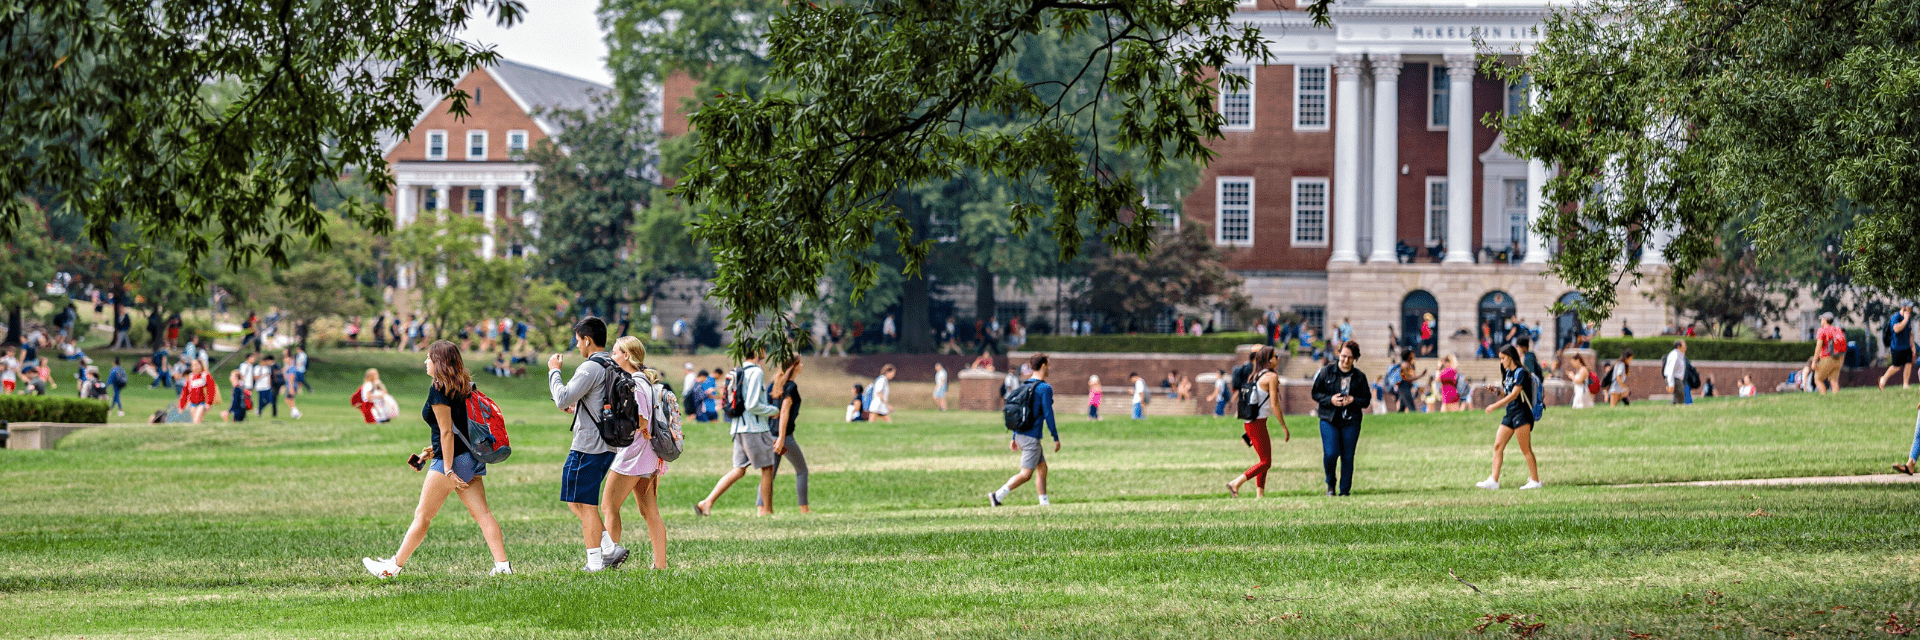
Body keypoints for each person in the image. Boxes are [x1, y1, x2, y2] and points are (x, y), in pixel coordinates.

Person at [361, 341, 512, 578]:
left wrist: (449, 469)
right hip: (471, 458)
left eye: (429, 358)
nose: (425, 362)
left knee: (423, 516)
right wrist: (430, 451)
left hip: (452, 462)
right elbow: (458, 428)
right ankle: (503, 567)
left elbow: (447, 432)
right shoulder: (462, 384)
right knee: (482, 514)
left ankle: (391, 569)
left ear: (438, 362)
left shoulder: (439, 388)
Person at [547, 316, 620, 571]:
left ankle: (595, 562)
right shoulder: (612, 363)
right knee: (574, 500)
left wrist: (554, 370)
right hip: (606, 442)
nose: (577, 346)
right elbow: (599, 399)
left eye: (578, 341)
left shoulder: (590, 367)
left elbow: (561, 397)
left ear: (587, 340)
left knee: (586, 504)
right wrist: (579, 406)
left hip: (589, 445)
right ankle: (609, 547)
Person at [601, 336, 672, 570]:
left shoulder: (634, 383)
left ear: (627, 355)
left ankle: (609, 561)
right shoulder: (644, 382)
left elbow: (641, 421)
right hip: (648, 457)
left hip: (632, 456)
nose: (612, 357)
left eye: (615, 353)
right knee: (649, 511)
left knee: (609, 507)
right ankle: (660, 565)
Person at [695, 347, 780, 517]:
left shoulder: (737, 370)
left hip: (738, 427)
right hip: (754, 428)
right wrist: (773, 410)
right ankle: (766, 511)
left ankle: (706, 503)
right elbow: (752, 405)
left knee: (739, 469)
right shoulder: (756, 372)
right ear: (756, 352)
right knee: (767, 468)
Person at [988, 353, 1061, 507]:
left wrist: (1014, 436)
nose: (1049, 368)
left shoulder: (1025, 384)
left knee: (1042, 467)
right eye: (1048, 364)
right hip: (1031, 437)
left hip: (1021, 434)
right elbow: (1049, 414)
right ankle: (997, 495)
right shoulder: (1044, 388)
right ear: (1043, 366)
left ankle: (1044, 502)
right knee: (1026, 474)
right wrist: (1055, 437)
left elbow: (1020, 411)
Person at [1477, 345, 1544, 490]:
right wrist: (1497, 391)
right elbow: (1507, 394)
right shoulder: (1508, 373)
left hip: (1522, 413)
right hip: (1510, 413)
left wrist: (1494, 406)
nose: (1501, 361)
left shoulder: (1521, 373)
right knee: (1498, 445)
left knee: (1525, 448)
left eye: (1503, 358)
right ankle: (1494, 480)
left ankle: (1535, 481)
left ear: (1511, 357)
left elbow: (1514, 394)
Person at [1310, 341, 1371, 496]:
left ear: (1355, 358)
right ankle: (1330, 484)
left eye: (1350, 358)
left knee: (1348, 455)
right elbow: (1315, 393)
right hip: (1329, 418)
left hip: (1351, 420)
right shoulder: (1326, 372)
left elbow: (1366, 400)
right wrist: (1330, 400)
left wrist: (1353, 400)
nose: (1345, 360)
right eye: (1343, 356)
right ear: (1338, 354)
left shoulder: (1359, 377)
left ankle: (1345, 490)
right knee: (1330, 453)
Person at [1227, 346, 1287, 498]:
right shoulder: (1271, 377)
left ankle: (1260, 496)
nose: (1278, 359)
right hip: (1257, 424)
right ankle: (1236, 483)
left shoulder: (1257, 375)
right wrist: (1284, 427)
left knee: (1263, 460)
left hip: (1251, 423)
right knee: (1266, 462)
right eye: (1276, 356)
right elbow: (1274, 405)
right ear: (1269, 360)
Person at [764, 354, 811, 514]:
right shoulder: (790, 387)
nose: (802, 365)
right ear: (794, 366)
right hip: (784, 438)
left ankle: (761, 508)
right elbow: (784, 412)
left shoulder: (772, 386)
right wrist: (782, 439)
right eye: (800, 363)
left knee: (769, 474)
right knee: (802, 471)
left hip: (770, 435)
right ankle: (804, 509)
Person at [1883, 301, 1916, 390]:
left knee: (1908, 364)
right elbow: (1896, 329)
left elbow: (1910, 333)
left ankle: (1905, 385)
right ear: (1903, 307)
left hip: (1906, 346)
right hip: (1896, 346)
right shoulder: (1895, 317)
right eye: (1909, 307)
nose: (1910, 309)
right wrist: (1905, 319)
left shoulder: (1908, 317)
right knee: (1896, 367)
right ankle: (1883, 378)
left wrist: (1913, 346)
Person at [1813, 312, 1847, 394]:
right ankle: (1836, 399)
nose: (1821, 321)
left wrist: (1814, 361)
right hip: (1837, 359)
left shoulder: (1822, 330)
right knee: (1833, 381)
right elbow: (1843, 345)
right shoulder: (1837, 330)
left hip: (1827, 358)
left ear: (1825, 320)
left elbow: (1819, 346)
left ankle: (1824, 397)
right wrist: (1841, 360)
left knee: (1818, 379)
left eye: (1822, 319)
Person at [1390, 349, 1422, 413]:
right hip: (1403, 386)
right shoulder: (1405, 365)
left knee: (1402, 408)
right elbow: (1408, 378)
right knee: (1411, 407)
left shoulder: (1409, 364)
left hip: (1405, 386)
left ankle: (1398, 418)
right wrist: (1421, 376)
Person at [1661, 340, 1691, 406]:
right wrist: (1671, 384)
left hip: (1677, 380)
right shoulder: (1675, 356)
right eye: (1684, 346)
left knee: (1678, 399)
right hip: (1674, 379)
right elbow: (1670, 370)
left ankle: (1669, 407)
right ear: (1678, 346)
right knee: (1680, 399)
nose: (1686, 347)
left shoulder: (1680, 355)